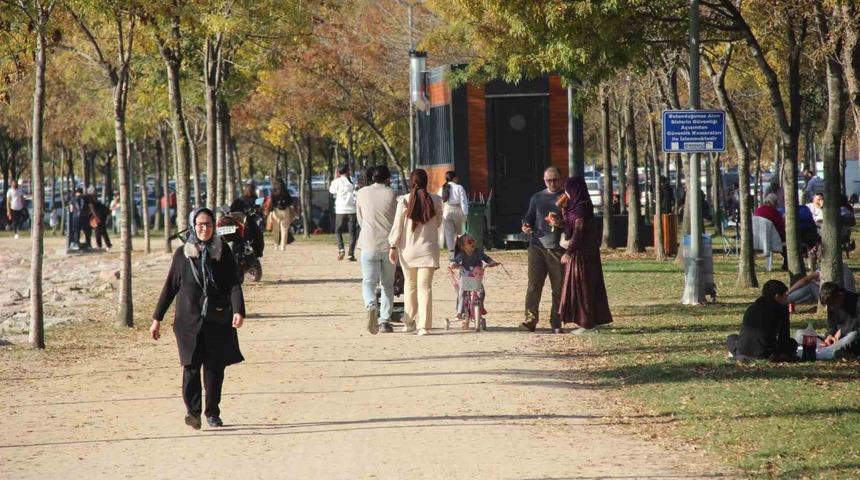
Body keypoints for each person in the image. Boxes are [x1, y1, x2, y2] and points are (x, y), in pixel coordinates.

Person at [150, 207, 246, 429]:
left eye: (209, 224)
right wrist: (157, 318)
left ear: (214, 226)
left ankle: (212, 412)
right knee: (191, 368)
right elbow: (170, 287)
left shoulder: (223, 251)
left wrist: (238, 310)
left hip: (217, 319)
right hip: (188, 322)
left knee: (214, 369)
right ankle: (193, 413)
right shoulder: (183, 253)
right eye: (200, 224)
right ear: (193, 226)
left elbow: (233, 284)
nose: (205, 228)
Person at [388, 169, 443, 336]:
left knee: (410, 286)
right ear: (426, 181)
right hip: (429, 250)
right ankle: (424, 326)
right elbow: (439, 223)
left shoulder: (404, 200)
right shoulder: (436, 200)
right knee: (425, 287)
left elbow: (397, 227)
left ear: (411, 182)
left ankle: (409, 322)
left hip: (408, 251)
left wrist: (392, 247)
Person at [558, 176, 613, 334]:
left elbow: (579, 232)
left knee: (583, 287)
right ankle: (594, 320)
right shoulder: (576, 206)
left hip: (582, 255)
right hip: (583, 253)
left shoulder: (581, 208)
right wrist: (561, 220)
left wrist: (568, 252)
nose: (566, 192)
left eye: (568, 189)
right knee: (587, 287)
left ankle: (587, 323)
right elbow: (572, 225)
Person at [520, 166, 566, 333]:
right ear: (544, 180)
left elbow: (574, 222)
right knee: (534, 285)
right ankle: (530, 320)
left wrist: (561, 224)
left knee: (559, 288)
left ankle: (556, 321)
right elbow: (529, 217)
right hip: (537, 247)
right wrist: (526, 226)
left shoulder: (566, 197)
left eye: (555, 180)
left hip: (557, 249)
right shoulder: (537, 197)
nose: (552, 183)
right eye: (548, 180)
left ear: (561, 179)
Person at [356, 165, 397, 334]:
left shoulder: (362, 193)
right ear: (388, 179)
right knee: (387, 284)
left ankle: (371, 304)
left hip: (368, 243)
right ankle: (384, 321)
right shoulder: (392, 194)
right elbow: (396, 219)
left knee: (368, 282)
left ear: (373, 178)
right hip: (388, 245)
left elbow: (360, 218)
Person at [726, 280, 797, 362]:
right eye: (785, 295)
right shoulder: (782, 310)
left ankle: (741, 355)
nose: (787, 298)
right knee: (792, 343)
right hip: (765, 353)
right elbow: (784, 337)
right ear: (777, 296)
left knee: (731, 338)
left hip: (743, 350)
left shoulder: (752, 307)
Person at [448, 233, 500, 330]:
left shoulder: (478, 252)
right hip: (465, 279)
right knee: (462, 294)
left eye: (473, 241)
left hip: (476, 279)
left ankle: (480, 306)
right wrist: (453, 264)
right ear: (463, 246)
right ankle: (460, 312)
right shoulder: (461, 255)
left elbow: (486, 258)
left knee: (482, 293)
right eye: (469, 242)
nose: (472, 243)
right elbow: (454, 260)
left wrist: (492, 262)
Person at [818, 282, 860, 357]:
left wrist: (842, 332)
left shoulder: (857, 301)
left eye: (832, 304)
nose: (831, 308)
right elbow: (832, 326)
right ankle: (831, 350)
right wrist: (829, 335)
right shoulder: (831, 304)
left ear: (840, 295)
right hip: (836, 340)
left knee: (853, 336)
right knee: (801, 334)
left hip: (850, 338)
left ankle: (827, 351)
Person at [329, 164, 358, 261]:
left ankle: (341, 249)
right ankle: (351, 254)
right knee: (352, 232)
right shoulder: (353, 180)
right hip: (352, 209)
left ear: (338, 172)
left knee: (338, 230)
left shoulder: (336, 181)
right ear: (347, 171)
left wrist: (335, 177)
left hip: (340, 210)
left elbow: (332, 191)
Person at [788, 264, 856, 304]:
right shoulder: (842, 265)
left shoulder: (827, 264)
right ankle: (790, 302)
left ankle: (786, 299)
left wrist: (788, 292)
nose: (815, 252)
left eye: (817, 250)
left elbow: (805, 280)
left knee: (810, 286)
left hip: (836, 298)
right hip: (848, 297)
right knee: (811, 291)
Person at [230, 183, 264, 259]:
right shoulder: (254, 200)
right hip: (248, 223)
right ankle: (258, 253)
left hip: (237, 224)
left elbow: (231, 211)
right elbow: (258, 210)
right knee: (258, 234)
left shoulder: (238, 200)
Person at [438, 171, 469, 255]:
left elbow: (439, 201)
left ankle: (451, 254)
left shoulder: (442, 188)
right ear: (454, 178)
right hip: (457, 209)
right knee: (459, 232)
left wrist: (440, 213)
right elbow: (463, 201)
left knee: (449, 233)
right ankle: (460, 251)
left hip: (446, 210)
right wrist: (465, 214)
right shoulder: (459, 187)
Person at [754, 193, 788, 270]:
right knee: (788, 243)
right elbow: (781, 227)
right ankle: (787, 263)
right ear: (773, 203)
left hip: (756, 239)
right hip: (771, 239)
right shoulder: (774, 212)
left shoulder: (757, 210)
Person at [264, 179, 295, 251]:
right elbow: (290, 202)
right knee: (284, 230)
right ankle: (283, 246)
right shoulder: (286, 192)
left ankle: (275, 246)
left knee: (275, 230)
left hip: (276, 211)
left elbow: (272, 203)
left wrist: (269, 212)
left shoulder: (273, 193)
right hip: (285, 211)